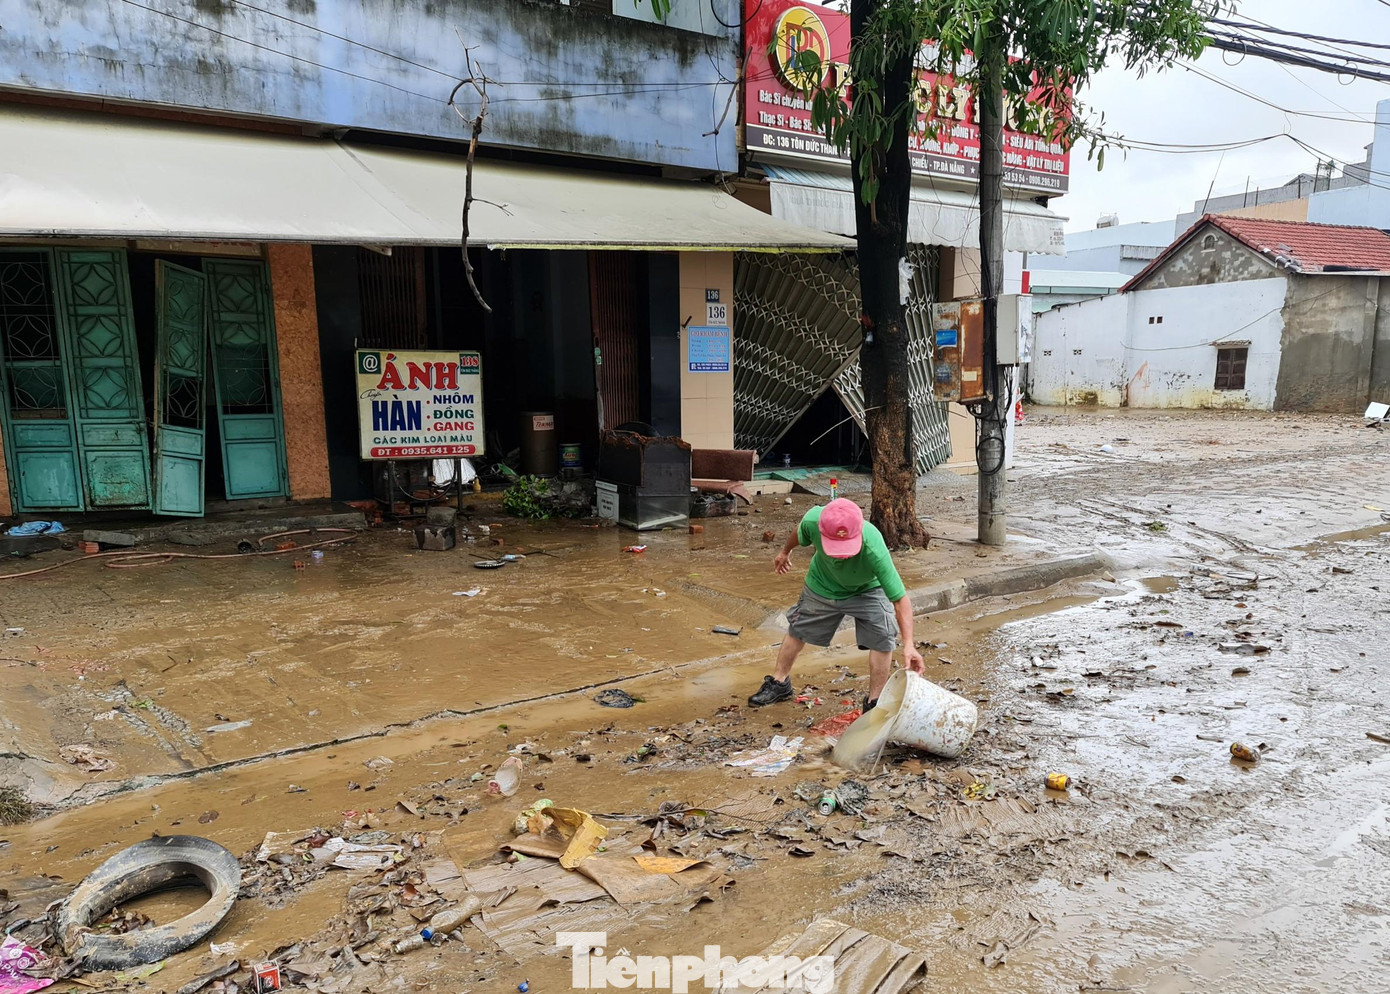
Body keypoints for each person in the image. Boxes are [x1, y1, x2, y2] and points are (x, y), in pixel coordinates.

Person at [749, 498, 924, 709]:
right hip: (822, 585)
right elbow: (800, 532)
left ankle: (874, 701)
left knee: (882, 635)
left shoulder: (873, 546)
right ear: (821, 530)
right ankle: (779, 682)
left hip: (867, 589)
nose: (842, 555)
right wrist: (785, 552)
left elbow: (899, 599)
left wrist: (909, 645)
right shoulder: (814, 519)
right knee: (798, 629)